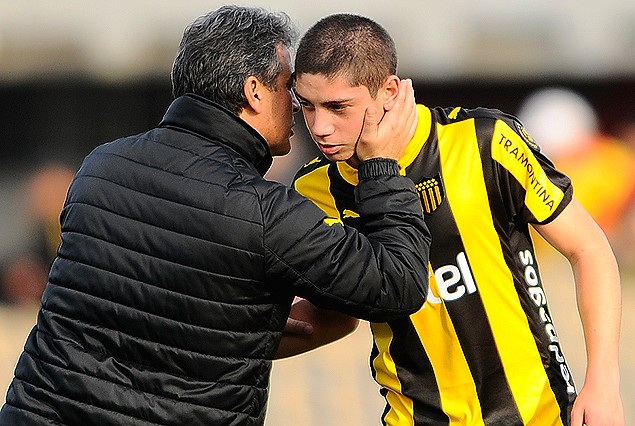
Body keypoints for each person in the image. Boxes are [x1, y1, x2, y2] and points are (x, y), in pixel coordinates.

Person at [0, 7, 432, 426]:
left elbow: (138, 310)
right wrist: (381, 167)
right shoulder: (263, 212)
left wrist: (246, 329)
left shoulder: (100, 168)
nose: (301, 110)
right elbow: (397, 283)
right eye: (288, 89)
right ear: (254, 91)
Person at [279, 13, 624, 426]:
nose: (320, 126)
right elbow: (335, 315)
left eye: (338, 107)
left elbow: (588, 248)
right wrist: (221, 340)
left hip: (538, 413)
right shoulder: (313, 190)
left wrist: (603, 381)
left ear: (389, 90)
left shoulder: (485, 142)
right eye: (308, 106)